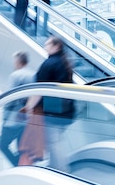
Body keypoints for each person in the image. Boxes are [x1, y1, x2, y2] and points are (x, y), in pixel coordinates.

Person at [21, 37, 75, 170]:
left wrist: (28, 107)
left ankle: (63, 172)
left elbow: (38, 90)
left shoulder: (49, 63)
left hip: (53, 111)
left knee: (53, 143)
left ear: (56, 46)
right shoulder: (64, 62)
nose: (45, 46)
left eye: (47, 44)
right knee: (56, 141)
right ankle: (55, 167)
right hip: (66, 110)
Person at [0, 51, 34, 166]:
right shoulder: (33, 74)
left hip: (13, 118)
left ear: (18, 61)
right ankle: (21, 166)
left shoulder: (15, 75)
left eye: (14, 61)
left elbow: (11, 98)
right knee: (21, 147)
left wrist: (4, 117)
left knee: (2, 145)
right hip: (27, 119)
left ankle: (16, 165)